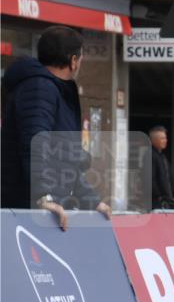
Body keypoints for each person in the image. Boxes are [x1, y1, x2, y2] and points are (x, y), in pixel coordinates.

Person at [0, 25, 111, 230]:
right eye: (81, 57)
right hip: (26, 213)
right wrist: (44, 196)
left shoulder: (54, 90)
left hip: (45, 211)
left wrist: (91, 200)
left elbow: (64, 161)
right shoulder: (39, 87)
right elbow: (35, 142)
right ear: (73, 60)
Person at [149, 126, 174, 209]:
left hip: (166, 200)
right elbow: (150, 179)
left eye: (165, 138)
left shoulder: (162, 156)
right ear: (153, 140)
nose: (165, 141)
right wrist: (160, 196)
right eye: (162, 138)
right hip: (158, 202)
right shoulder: (150, 155)